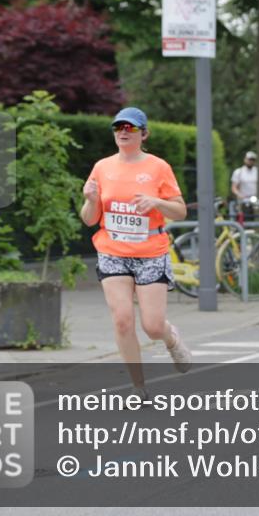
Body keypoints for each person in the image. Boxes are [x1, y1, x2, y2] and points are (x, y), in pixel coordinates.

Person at [80, 107, 192, 399]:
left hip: (150, 252)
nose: (123, 133)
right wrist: (91, 200)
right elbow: (90, 218)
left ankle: (171, 339)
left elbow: (179, 210)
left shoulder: (158, 167)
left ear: (144, 134)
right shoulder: (102, 167)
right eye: (118, 128)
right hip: (112, 250)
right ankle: (138, 386)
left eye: (130, 128)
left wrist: (156, 202)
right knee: (122, 319)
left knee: (152, 326)